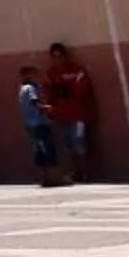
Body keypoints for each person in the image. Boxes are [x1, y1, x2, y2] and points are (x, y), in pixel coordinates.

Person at [44, 42, 96, 184]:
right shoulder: (51, 74)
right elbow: (51, 95)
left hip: (79, 114)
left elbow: (82, 90)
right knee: (69, 146)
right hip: (62, 115)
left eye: (60, 56)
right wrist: (50, 112)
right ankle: (75, 172)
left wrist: (65, 89)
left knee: (79, 141)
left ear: (65, 56)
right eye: (54, 57)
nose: (57, 59)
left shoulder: (77, 70)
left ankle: (85, 173)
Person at [17, 65, 62, 186]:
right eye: (34, 74)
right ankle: (53, 177)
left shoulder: (22, 89)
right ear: (27, 75)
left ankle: (44, 177)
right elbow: (34, 102)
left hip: (30, 124)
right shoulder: (30, 88)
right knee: (47, 148)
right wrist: (46, 108)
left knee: (39, 149)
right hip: (38, 123)